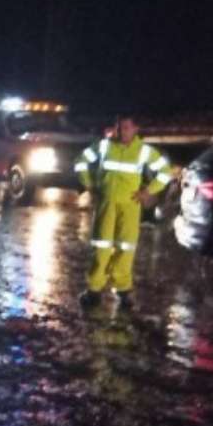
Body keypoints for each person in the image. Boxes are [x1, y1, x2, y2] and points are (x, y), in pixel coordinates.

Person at [73, 115, 174, 310]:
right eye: (119, 128)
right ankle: (94, 290)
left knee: (125, 249)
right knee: (101, 247)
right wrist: (89, 184)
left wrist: (148, 191)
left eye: (126, 128)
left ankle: (123, 291)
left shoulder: (144, 151)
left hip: (130, 206)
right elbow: (80, 161)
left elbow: (165, 172)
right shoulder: (104, 146)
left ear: (136, 129)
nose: (122, 132)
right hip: (106, 204)